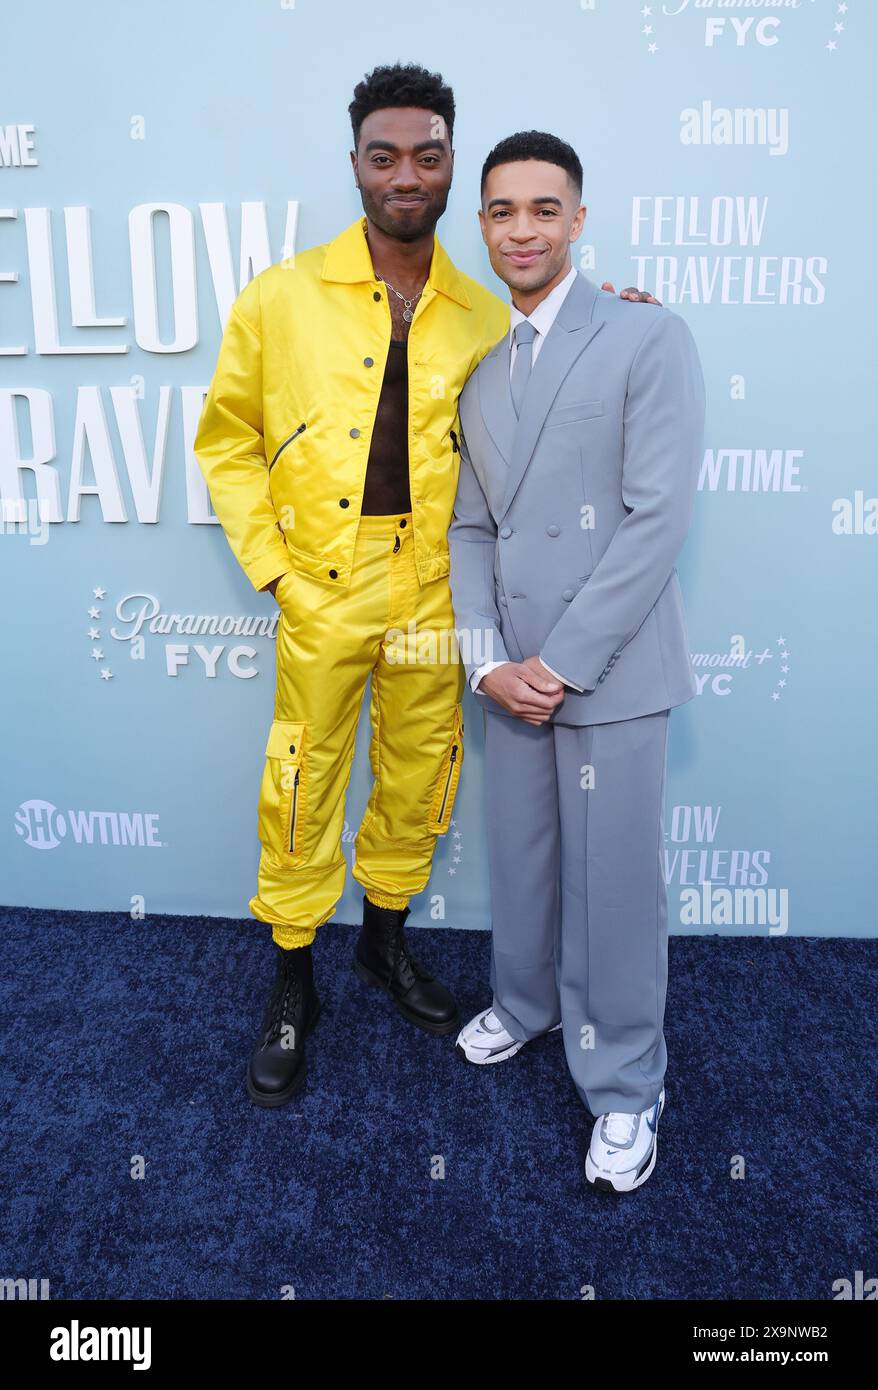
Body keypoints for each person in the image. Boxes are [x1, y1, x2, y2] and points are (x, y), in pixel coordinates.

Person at [194, 65, 654, 1110]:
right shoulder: (279, 297)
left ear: (450, 167)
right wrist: (272, 566)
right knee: (304, 775)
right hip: (322, 583)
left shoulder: (483, 318)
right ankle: (291, 981)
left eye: (428, 155)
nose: (405, 173)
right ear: (354, 161)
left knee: (419, 771)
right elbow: (226, 442)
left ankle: (382, 948)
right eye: (383, 153)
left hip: (434, 590)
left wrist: (619, 319)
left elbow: (551, 397)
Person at [448, 131, 706, 1192]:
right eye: (502, 211)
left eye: (543, 210)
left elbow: (655, 518)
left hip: (609, 669)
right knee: (519, 858)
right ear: (483, 225)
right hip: (510, 674)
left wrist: (559, 661)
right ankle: (523, 1002)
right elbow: (471, 530)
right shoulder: (478, 369)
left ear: (578, 220)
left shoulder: (647, 337)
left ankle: (623, 1084)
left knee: (611, 886)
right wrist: (485, 661)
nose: (521, 229)